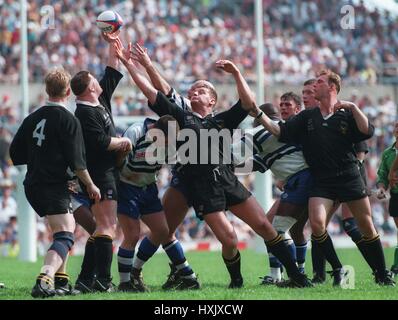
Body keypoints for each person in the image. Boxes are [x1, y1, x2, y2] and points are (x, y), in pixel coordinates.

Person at [116, 42, 312, 288]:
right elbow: (151, 91)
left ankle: (297, 277)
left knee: (264, 225)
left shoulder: (222, 120)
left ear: (212, 100)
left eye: (202, 90)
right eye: (194, 90)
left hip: (227, 180)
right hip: (200, 185)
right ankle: (223, 280)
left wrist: (237, 73)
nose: (195, 92)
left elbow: (249, 103)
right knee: (222, 237)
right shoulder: (182, 115)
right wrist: (129, 64)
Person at [256, 69, 395, 286]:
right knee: (317, 225)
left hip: (349, 177)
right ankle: (331, 271)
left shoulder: (347, 113)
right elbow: (280, 132)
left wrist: (354, 107)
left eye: (319, 82)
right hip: (322, 180)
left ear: (331, 87)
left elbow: (367, 132)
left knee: (365, 225)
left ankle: (381, 273)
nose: (313, 87)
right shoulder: (307, 117)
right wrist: (258, 115)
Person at [9, 68, 101, 298]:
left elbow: (15, 153)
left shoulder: (32, 117)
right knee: (65, 234)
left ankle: (61, 282)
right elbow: (78, 163)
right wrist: (90, 185)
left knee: (65, 228)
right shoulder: (69, 119)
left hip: (33, 184)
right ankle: (45, 278)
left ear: (47, 90)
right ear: (68, 91)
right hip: (54, 185)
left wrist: (40, 158)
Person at [71, 33, 132, 293]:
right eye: (94, 80)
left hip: (106, 171)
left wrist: (112, 46)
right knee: (107, 226)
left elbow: (110, 71)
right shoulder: (84, 112)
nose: (99, 80)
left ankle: (85, 279)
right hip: (99, 173)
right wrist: (123, 142)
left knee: (101, 228)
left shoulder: (99, 100)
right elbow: (102, 143)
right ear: (89, 87)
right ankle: (103, 280)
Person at [233, 96, 312, 286]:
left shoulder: (261, 132)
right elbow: (257, 164)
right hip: (305, 180)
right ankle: (289, 272)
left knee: (274, 231)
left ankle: (293, 275)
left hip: (300, 181)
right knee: (288, 229)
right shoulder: (287, 130)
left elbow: (232, 154)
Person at [376, 122, 398, 276]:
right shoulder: (388, 153)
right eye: (397, 126)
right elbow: (382, 174)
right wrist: (382, 188)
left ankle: (396, 266)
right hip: (396, 195)